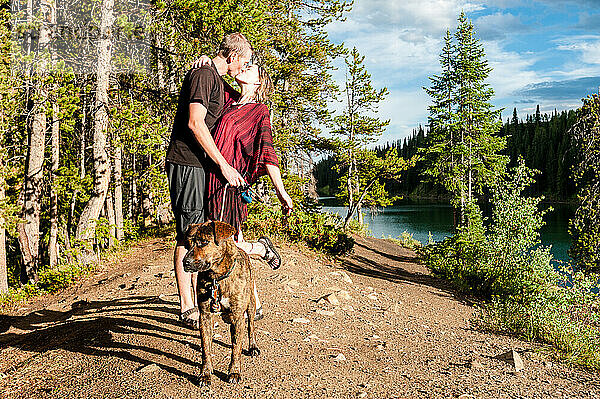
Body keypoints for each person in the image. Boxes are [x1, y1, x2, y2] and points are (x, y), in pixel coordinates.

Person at [166, 33, 275, 329]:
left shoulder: (216, 80)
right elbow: (194, 122)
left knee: (208, 228)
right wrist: (224, 165)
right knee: (188, 231)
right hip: (187, 162)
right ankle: (187, 305)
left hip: (203, 167)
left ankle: (241, 280)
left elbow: (244, 106)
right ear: (234, 57)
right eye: (246, 60)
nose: (247, 65)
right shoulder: (205, 74)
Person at [204, 64, 294, 318]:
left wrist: (281, 191)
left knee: (228, 243)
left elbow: (267, 152)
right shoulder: (230, 100)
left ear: (258, 83)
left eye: (251, 67)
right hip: (214, 178)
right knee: (233, 242)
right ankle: (255, 303)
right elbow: (214, 73)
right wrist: (205, 60)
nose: (244, 67)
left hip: (231, 183)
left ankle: (260, 251)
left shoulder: (259, 111)